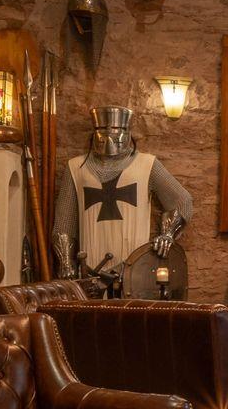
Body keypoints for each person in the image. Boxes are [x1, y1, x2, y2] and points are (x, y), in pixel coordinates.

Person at [53, 107, 192, 291]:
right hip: (90, 269)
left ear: (128, 132)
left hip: (135, 267)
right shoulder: (76, 167)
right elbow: (64, 223)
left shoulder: (146, 164)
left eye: (117, 130)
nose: (110, 135)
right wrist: (65, 261)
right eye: (103, 129)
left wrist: (167, 234)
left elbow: (181, 202)